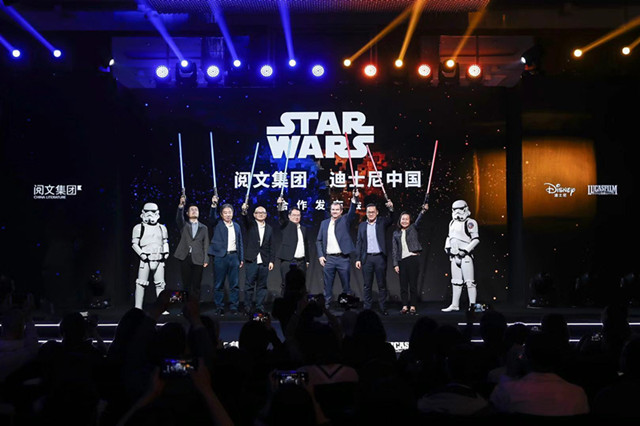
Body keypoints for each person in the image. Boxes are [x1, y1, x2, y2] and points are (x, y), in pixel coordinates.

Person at [316, 190, 359, 309]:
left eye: (337, 210)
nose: (334, 211)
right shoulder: (324, 223)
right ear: (330, 211)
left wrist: (354, 199)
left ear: (341, 211)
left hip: (342, 258)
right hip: (329, 259)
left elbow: (352, 212)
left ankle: (346, 306)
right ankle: (326, 307)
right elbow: (318, 240)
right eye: (333, 209)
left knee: (346, 285)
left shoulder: (345, 220)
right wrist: (320, 255)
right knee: (327, 285)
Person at [355, 199, 395, 315]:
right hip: (367, 258)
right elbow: (359, 242)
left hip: (379, 258)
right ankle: (367, 308)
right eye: (368, 212)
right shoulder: (362, 225)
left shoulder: (381, 222)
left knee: (382, 285)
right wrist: (358, 258)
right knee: (367, 285)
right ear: (366, 213)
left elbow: (391, 219)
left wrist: (391, 208)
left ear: (377, 212)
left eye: (373, 212)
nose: (371, 214)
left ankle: (383, 308)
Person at [442, 200, 480, 312]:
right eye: (455, 209)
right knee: (456, 281)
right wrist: (447, 248)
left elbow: (476, 239)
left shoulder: (470, 222)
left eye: (460, 209)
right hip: (454, 256)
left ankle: (472, 306)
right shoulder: (452, 223)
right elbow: (449, 237)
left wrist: (465, 250)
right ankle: (455, 305)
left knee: (469, 282)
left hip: (465, 256)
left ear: (465, 209)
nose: (457, 212)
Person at [209, 195, 244, 316]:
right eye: (225, 212)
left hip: (234, 257)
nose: (228, 214)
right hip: (220, 257)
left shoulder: (237, 226)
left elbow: (240, 243)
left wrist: (241, 258)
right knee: (219, 284)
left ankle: (234, 307)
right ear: (221, 214)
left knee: (234, 284)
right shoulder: (217, 224)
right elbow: (211, 218)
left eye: (230, 212)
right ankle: (219, 307)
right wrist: (214, 205)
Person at [132, 202, 170, 309]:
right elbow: (134, 244)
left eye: (152, 211)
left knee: (160, 284)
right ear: (143, 213)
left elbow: (165, 242)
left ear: (157, 213)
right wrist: (142, 254)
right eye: (147, 211)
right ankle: (138, 307)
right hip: (145, 259)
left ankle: (162, 307)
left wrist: (166, 253)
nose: (150, 214)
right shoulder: (138, 228)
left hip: (159, 258)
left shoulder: (162, 228)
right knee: (141, 283)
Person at [392, 204, 428, 315]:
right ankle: (404, 306)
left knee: (413, 285)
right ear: (400, 220)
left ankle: (412, 306)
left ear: (410, 220)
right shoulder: (396, 233)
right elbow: (394, 250)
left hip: (413, 259)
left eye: (407, 219)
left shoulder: (413, 228)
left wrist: (423, 211)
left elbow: (419, 220)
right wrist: (395, 264)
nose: (404, 221)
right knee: (403, 285)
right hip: (402, 261)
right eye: (403, 219)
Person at [240, 202, 275, 314]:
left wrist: (271, 261)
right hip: (252, 260)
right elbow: (244, 218)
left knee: (262, 286)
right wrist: (244, 211)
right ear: (254, 215)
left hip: (264, 261)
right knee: (249, 285)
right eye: (258, 212)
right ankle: (247, 307)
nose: (260, 214)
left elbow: (271, 246)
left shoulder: (269, 228)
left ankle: (260, 306)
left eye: (263, 212)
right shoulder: (250, 225)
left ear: (266, 215)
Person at [174, 196, 210, 303]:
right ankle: (186, 306)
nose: (194, 211)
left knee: (196, 284)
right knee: (186, 284)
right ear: (187, 213)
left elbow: (206, 244)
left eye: (196, 210)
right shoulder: (184, 225)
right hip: (185, 257)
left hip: (198, 258)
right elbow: (178, 218)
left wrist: (206, 259)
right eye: (192, 210)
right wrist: (181, 206)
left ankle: (195, 306)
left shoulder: (204, 228)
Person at [276, 197, 310, 292]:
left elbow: (306, 245)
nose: (296, 217)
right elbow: (281, 217)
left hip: (301, 262)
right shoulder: (286, 225)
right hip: (288, 260)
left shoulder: (303, 229)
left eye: (298, 215)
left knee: (301, 285)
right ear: (289, 216)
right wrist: (280, 205)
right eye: (294, 215)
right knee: (286, 284)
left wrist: (307, 260)